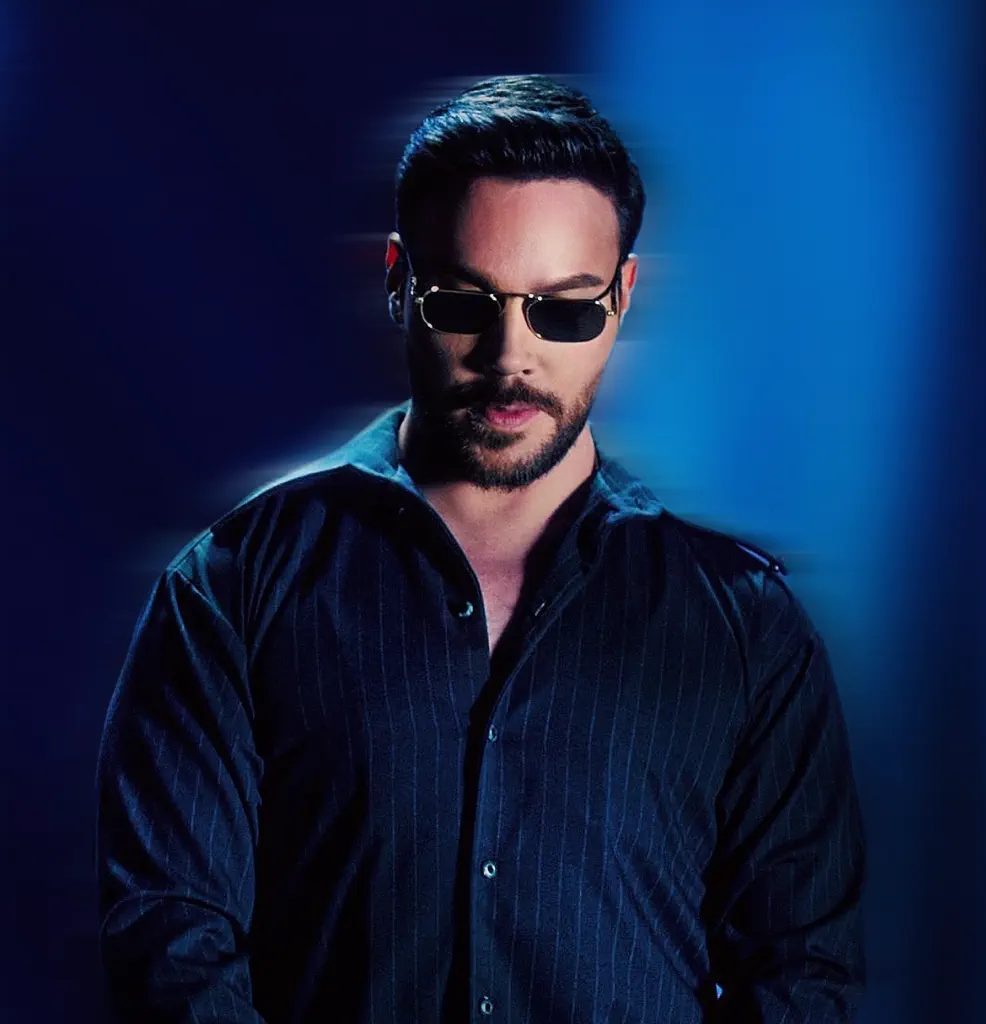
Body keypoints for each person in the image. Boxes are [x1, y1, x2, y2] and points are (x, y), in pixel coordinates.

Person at [96, 74, 867, 1023]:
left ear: (623, 297)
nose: (511, 355)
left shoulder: (746, 628)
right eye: (464, 302)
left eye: (564, 310)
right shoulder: (232, 588)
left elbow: (801, 972)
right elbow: (170, 940)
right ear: (398, 281)